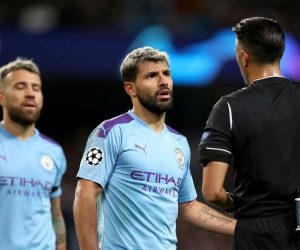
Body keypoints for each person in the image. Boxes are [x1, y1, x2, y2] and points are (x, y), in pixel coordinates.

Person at [73, 46, 236, 250]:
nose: (163, 81)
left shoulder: (179, 142)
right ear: (130, 88)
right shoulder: (111, 132)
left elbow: (188, 207)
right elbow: (85, 193)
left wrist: (241, 228)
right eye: (151, 76)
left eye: (166, 74)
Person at [199, 16, 300, 249]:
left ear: (244, 57)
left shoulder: (229, 107)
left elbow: (212, 192)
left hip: (257, 232)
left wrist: (236, 204)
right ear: (280, 53)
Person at [0, 58, 67, 250]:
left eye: (36, 88)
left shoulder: (54, 152)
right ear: (2, 97)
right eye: (20, 87)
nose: (30, 93)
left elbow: (56, 215)